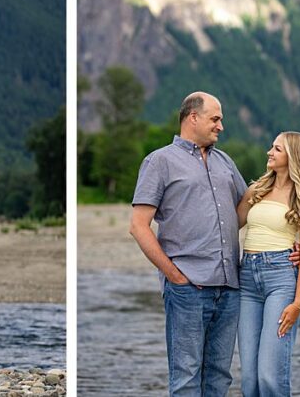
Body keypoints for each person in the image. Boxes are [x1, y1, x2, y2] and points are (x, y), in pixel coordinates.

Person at [129, 92, 247, 396]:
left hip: (229, 287)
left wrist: (285, 241)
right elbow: (138, 226)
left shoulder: (225, 162)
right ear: (192, 117)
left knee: (220, 378)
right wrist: (174, 276)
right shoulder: (159, 161)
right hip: (187, 288)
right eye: (215, 118)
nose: (221, 126)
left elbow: (244, 213)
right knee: (186, 377)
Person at [235, 132, 300, 397]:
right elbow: (229, 224)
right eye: (271, 147)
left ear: (292, 156)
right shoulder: (257, 188)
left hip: (280, 279)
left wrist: (298, 303)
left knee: (269, 376)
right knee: (249, 379)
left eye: (277, 149)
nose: (269, 152)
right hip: (247, 278)